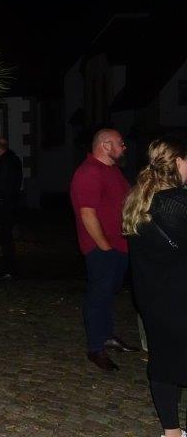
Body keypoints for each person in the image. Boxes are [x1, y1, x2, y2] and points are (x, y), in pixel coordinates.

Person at [122, 137, 187, 437]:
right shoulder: (179, 203)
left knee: (163, 363)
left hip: (152, 299)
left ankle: (171, 432)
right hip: (180, 296)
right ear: (178, 162)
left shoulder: (139, 199)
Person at [70, 128, 138, 372]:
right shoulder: (89, 172)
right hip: (102, 248)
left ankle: (106, 336)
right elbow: (87, 214)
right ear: (106, 145)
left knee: (108, 294)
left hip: (118, 245)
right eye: (120, 143)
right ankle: (95, 347)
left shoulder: (112, 170)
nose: (124, 147)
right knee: (98, 296)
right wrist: (106, 248)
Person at [0, 136, 22, 279]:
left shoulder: (5, 162)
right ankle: (9, 268)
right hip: (10, 204)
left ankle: (9, 269)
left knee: (5, 238)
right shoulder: (13, 159)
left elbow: (2, 186)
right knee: (6, 238)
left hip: (4, 206)